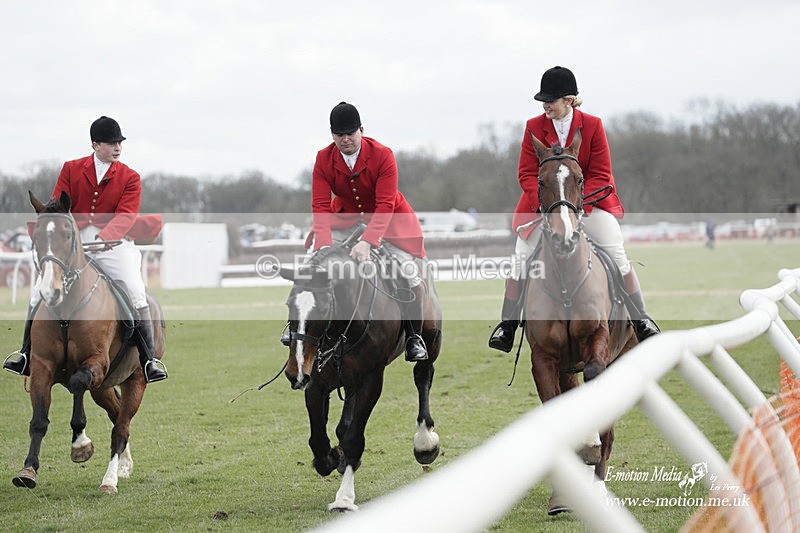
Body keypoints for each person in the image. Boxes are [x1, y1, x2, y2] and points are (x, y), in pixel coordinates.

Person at [488, 66, 660, 352]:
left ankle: (640, 319)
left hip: (588, 206)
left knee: (617, 254)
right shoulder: (533, 126)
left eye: (551, 100)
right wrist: (548, 207)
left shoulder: (593, 125)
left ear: (568, 100)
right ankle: (507, 325)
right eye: (543, 100)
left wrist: (575, 208)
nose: (545, 105)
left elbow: (602, 174)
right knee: (519, 259)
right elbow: (526, 174)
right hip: (544, 208)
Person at [3, 116, 167, 382]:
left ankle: (149, 360)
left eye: (119, 142)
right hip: (74, 241)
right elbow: (57, 206)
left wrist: (106, 235)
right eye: (111, 142)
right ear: (95, 144)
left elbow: (126, 215)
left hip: (114, 243)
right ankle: (24, 355)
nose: (117, 147)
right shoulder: (71, 168)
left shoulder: (130, 177)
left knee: (136, 290)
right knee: (38, 293)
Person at [294, 101, 428, 361]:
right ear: (332, 135)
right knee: (314, 265)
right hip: (345, 220)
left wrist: (368, 242)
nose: (345, 139)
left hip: (389, 222)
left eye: (350, 133)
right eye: (339, 135)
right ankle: (300, 328)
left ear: (361, 130)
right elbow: (320, 206)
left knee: (408, 272)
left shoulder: (383, 154)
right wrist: (322, 245)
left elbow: (385, 204)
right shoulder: (323, 158)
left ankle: (414, 337)